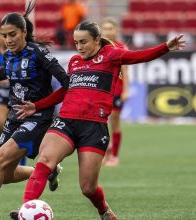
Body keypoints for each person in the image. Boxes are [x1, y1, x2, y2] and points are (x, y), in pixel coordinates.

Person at [12, 21, 185, 219]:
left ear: (96, 40)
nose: (79, 47)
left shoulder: (112, 55)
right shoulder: (75, 61)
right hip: (66, 121)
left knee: (87, 188)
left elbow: (139, 56)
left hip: (94, 128)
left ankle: (104, 210)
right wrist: (38, 105)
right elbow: (66, 90)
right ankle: (26, 210)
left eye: (83, 42)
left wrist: (166, 47)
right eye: (76, 43)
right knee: (45, 160)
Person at [0, 2, 69, 220]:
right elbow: (6, 70)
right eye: (4, 35)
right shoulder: (9, 54)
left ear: (24, 32)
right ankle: (47, 170)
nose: (8, 40)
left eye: (13, 34)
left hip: (37, 118)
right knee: (5, 174)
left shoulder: (39, 53)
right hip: (15, 116)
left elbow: (67, 83)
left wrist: (38, 106)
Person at [0, 29, 26, 165]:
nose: (3, 38)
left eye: (6, 35)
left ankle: (18, 154)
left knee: (16, 126)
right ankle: (7, 148)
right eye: (1, 35)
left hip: (16, 93)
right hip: (0, 92)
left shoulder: (17, 53)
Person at [100, 17, 129, 166]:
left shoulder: (121, 48)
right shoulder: (99, 47)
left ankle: (115, 155)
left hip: (117, 90)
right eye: (105, 28)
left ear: (116, 30)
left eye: (110, 28)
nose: (107, 31)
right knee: (100, 123)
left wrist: (126, 90)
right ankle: (105, 151)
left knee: (115, 122)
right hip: (102, 91)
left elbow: (125, 71)